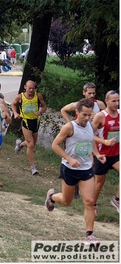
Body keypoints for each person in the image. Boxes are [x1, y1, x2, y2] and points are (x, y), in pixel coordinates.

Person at [45, 98, 106, 243]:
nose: (87, 118)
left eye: (89, 115)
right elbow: (55, 145)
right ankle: (52, 197)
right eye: (84, 114)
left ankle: (89, 235)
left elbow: (90, 141)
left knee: (90, 201)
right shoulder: (69, 127)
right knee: (67, 201)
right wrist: (70, 158)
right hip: (69, 168)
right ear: (77, 112)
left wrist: (97, 155)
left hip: (86, 169)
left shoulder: (90, 126)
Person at [60, 82, 106, 199]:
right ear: (84, 92)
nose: (91, 95)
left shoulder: (99, 104)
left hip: (91, 137)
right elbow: (63, 110)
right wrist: (69, 123)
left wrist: (98, 118)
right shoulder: (77, 105)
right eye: (89, 93)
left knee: (90, 163)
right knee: (76, 160)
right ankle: (74, 187)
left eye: (93, 93)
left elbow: (106, 116)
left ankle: (84, 188)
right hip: (77, 137)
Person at [91, 90, 119, 215]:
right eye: (114, 101)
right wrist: (105, 141)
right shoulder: (100, 116)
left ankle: (117, 199)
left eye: (118, 100)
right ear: (106, 101)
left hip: (116, 153)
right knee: (99, 183)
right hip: (102, 155)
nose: (116, 103)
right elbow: (89, 135)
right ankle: (93, 204)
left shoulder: (119, 113)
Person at [11, 80, 47, 175]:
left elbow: (44, 106)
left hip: (36, 121)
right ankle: (33, 167)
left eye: (33, 88)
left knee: (32, 144)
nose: (31, 90)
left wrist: (40, 112)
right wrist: (15, 113)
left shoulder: (38, 96)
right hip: (26, 121)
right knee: (31, 144)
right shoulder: (20, 97)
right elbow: (13, 104)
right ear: (25, 87)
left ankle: (20, 145)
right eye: (29, 88)